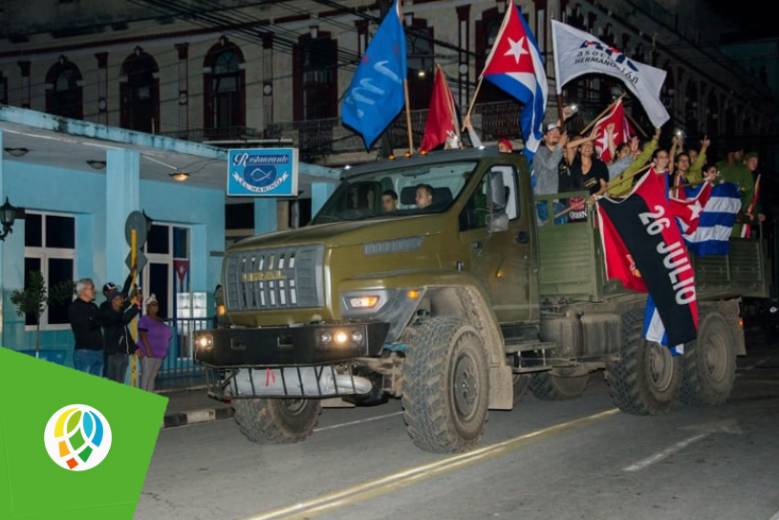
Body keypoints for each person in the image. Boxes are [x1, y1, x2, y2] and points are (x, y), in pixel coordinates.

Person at [101, 287, 141, 384]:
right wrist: (136, 305)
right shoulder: (110, 315)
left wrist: (134, 348)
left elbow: (125, 335)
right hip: (115, 354)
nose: (122, 301)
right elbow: (124, 319)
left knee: (119, 381)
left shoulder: (118, 315)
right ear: (113, 301)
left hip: (122, 353)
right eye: (119, 299)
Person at [562, 140, 609, 221]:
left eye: (590, 145)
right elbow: (568, 146)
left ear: (593, 150)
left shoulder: (599, 165)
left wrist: (594, 197)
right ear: (579, 149)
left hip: (592, 206)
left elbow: (604, 186)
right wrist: (589, 137)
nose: (587, 147)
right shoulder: (574, 163)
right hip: (574, 208)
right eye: (584, 145)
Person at [533, 122, 569, 223]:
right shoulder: (539, 151)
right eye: (551, 132)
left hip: (559, 201)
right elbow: (550, 164)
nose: (555, 133)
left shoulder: (560, 153)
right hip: (545, 201)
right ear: (544, 137)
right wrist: (560, 145)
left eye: (557, 132)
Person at [136, 294, 172, 392]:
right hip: (148, 353)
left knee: (152, 377)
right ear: (148, 307)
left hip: (159, 354)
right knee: (146, 376)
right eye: (153, 304)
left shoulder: (159, 320)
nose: (155, 306)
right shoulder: (144, 319)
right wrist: (148, 350)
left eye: (156, 304)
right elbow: (143, 335)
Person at [68, 278, 104, 376]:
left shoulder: (93, 306)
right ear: (83, 290)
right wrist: (95, 320)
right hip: (85, 353)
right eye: (91, 288)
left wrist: (94, 320)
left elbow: (100, 321)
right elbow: (86, 326)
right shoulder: (75, 307)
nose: (94, 291)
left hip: (98, 351)